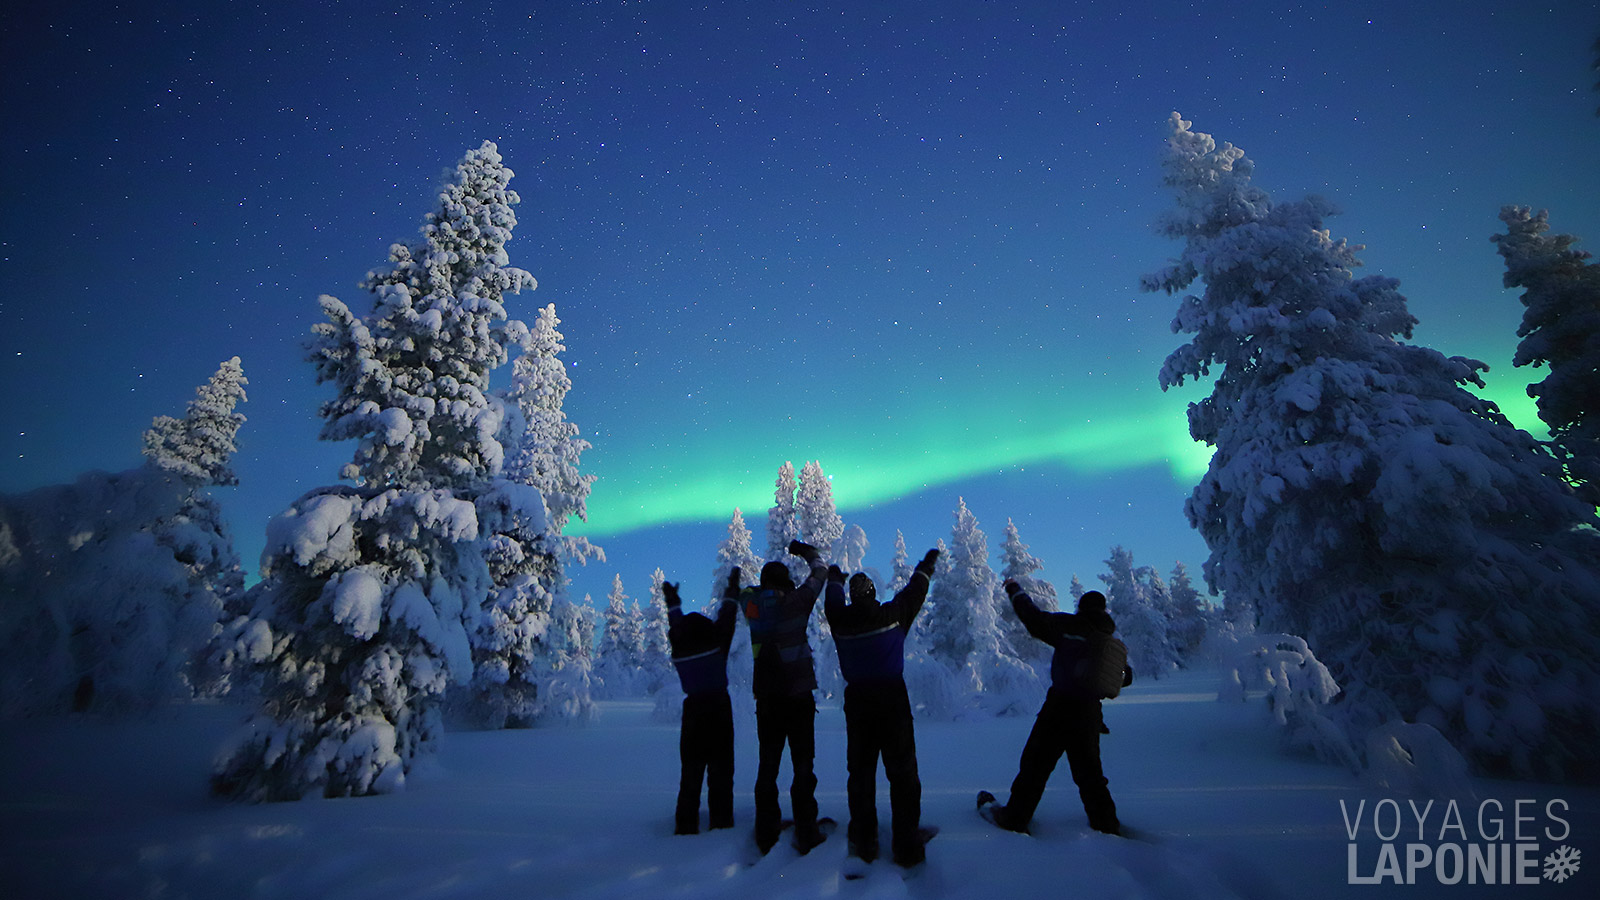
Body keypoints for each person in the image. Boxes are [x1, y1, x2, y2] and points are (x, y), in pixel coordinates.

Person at [978, 584, 1128, 836]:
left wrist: (1016, 592)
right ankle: (1106, 824)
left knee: (1035, 766)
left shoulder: (1070, 626)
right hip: (1090, 713)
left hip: (1059, 708)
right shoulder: (1109, 640)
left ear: (1081, 607)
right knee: (1090, 774)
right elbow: (1126, 677)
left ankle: (1014, 818)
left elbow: (1034, 620)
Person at [824, 549, 939, 867]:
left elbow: (831, 601)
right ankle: (906, 844)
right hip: (892, 701)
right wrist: (926, 566)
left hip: (858, 703)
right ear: (873, 594)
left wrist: (834, 578)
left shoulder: (840, 622)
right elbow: (915, 591)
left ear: (851, 597)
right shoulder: (893, 615)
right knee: (903, 772)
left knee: (860, 773)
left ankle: (864, 842)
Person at [743, 539, 830, 854]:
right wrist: (808, 553)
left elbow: (748, 591)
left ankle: (765, 831)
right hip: (798, 697)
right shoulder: (796, 602)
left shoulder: (751, 606)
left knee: (768, 764)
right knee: (803, 764)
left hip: (767, 700)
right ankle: (806, 829)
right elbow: (821, 573)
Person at [663, 576, 738, 835]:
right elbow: (727, 617)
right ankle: (721, 823)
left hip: (693, 710)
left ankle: (685, 826)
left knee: (691, 772)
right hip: (718, 708)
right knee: (721, 771)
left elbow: (676, 625)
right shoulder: (718, 644)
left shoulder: (681, 647)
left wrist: (672, 603)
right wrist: (731, 590)